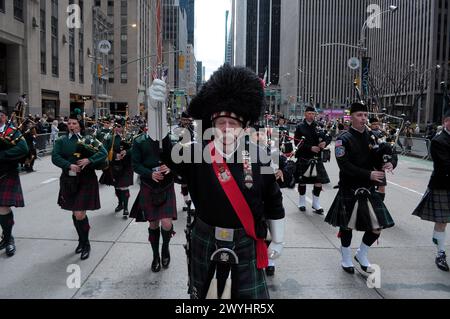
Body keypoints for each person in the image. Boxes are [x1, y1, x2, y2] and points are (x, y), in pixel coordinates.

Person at [149, 65, 286, 299]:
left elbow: (274, 202)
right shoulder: (195, 153)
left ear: (244, 127)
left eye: (232, 123)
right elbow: (162, 150)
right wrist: (155, 111)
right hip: (205, 237)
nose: (225, 128)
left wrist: (279, 240)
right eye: (220, 122)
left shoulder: (260, 156)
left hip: (246, 239)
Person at [325, 102, 396, 274]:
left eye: (365, 115)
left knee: (377, 227)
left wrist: (390, 163)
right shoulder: (343, 139)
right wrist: (368, 174)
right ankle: (346, 258)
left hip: (369, 189)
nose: (363, 118)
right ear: (351, 117)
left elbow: (389, 152)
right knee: (347, 226)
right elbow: (345, 166)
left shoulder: (373, 137)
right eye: (359, 115)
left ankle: (361, 254)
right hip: (350, 188)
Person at [51, 109, 107, 260]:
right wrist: (68, 166)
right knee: (75, 213)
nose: (71, 125)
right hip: (69, 180)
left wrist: (90, 160)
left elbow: (103, 152)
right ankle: (81, 241)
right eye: (69, 123)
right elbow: (55, 157)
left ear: (80, 125)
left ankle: (86, 243)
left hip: (86, 180)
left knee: (79, 213)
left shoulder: (88, 139)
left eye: (74, 123)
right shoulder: (61, 141)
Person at [412, 109, 450, 272]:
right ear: (445, 122)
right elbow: (445, 165)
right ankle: (440, 253)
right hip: (443, 185)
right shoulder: (439, 140)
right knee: (442, 221)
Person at [0, 107, 29, 257]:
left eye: (0, 115)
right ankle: (6, 237)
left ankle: (8, 239)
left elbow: (23, 149)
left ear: (4, 117)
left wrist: (3, 155)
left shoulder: (12, 131)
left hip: (6, 173)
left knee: (3, 207)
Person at [294, 106, 332, 214]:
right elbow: (297, 143)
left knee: (318, 181)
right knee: (302, 181)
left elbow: (327, 137)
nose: (311, 115)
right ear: (305, 114)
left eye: (313, 113)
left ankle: (316, 203)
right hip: (304, 156)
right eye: (309, 113)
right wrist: (310, 147)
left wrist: (325, 142)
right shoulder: (300, 127)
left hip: (316, 157)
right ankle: (302, 202)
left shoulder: (319, 126)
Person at [99, 117, 134, 217]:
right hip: (114, 166)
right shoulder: (109, 137)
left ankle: (126, 208)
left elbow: (135, 148)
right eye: (116, 126)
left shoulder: (129, 136)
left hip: (126, 165)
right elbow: (104, 150)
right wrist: (115, 155)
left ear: (124, 127)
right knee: (117, 187)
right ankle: (120, 204)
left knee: (124, 186)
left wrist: (126, 152)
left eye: (120, 126)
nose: (118, 128)